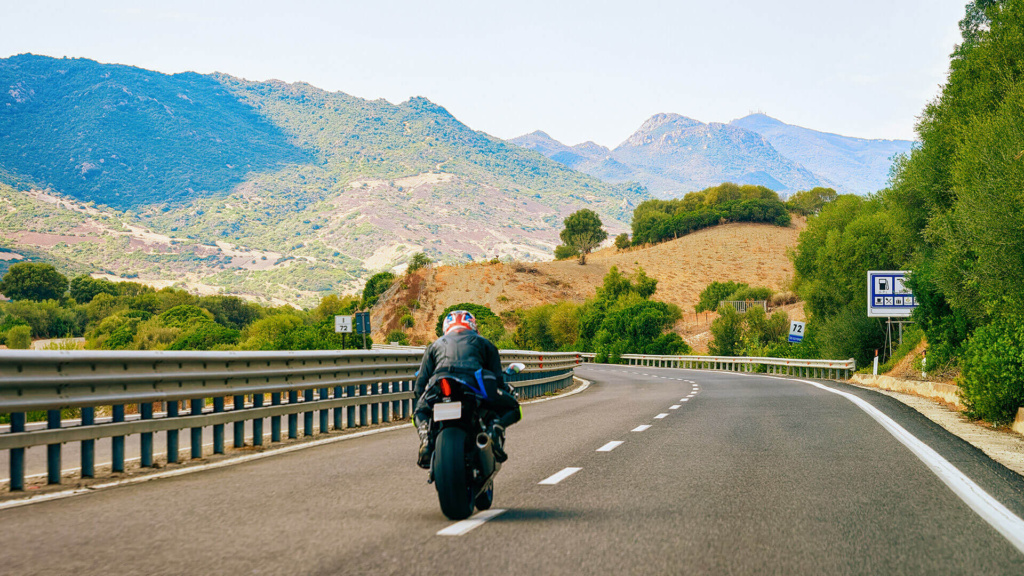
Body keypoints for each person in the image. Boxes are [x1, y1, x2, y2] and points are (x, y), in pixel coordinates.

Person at [413, 310, 521, 469]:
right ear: (473, 325)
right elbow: (497, 380)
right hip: (473, 385)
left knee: (419, 412)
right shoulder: (485, 343)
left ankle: (426, 438)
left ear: (446, 327)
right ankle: (494, 430)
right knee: (514, 408)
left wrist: (423, 403)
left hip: (439, 386)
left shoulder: (434, 346)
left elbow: (419, 386)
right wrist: (506, 391)